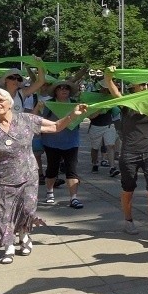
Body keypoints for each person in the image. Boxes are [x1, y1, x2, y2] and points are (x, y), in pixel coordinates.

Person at [0, 88, 87, 263]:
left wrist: (72, 115)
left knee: (27, 210)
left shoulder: (26, 119)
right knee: (3, 213)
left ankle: (24, 236)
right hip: (0, 179)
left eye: (0, 100)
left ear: (9, 102)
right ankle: (8, 246)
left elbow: (55, 126)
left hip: (28, 175)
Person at [103, 71, 148, 243]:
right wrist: (109, 76)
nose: (145, 87)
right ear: (133, 88)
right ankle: (128, 221)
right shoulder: (126, 104)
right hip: (129, 152)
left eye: (147, 85)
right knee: (128, 190)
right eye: (141, 84)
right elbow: (113, 90)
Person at [40, 80, 84, 209]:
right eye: (60, 88)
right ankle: (49, 192)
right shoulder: (49, 105)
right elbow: (40, 120)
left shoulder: (76, 104)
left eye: (66, 88)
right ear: (55, 91)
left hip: (72, 142)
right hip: (51, 142)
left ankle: (74, 198)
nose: (64, 90)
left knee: (72, 170)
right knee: (52, 169)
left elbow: (88, 115)